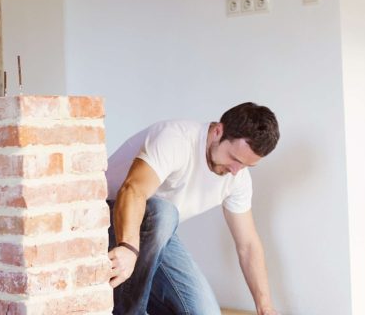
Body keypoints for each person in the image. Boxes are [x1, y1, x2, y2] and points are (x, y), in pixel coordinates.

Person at [105, 102, 280, 315]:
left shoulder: (238, 177)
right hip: (110, 220)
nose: (236, 170)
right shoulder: (176, 138)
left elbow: (248, 244)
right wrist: (128, 248)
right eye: (234, 158)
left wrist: (265, 307)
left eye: (246, 165)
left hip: (155, 236)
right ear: (218, 131)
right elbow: (133, 190)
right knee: (165, 212)